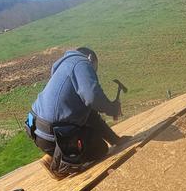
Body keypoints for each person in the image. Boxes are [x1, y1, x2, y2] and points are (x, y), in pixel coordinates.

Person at [25, 47, 126, 177]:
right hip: (54, 135)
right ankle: (60, 165)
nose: (93, 73)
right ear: (90, 58)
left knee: (89, 125)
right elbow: (92, 97)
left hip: (35, 130)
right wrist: (112, 109)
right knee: (100, 149)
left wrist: (116, 140)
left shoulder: (63, 66)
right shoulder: (81, 62)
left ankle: (53, 155)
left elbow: (91, 115)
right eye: (94, 69)